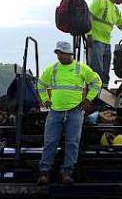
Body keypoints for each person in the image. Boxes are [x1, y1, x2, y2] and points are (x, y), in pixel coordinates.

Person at [36, 41, 102, 184]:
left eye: (61, 53)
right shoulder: (52, 69)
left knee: (72, 143)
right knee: (50, 142)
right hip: (55, 111)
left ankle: (67, 173)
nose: (59, 56)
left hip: (74, 111)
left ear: (69, 54)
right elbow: (40, 84)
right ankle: (44, 173)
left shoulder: (81, 68)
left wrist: (88, 99)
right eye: (58, 54)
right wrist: (45, 99)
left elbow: (97, 82)